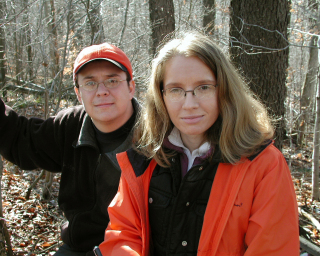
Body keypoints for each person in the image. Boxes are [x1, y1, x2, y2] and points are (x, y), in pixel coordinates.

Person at [96, 32, 300, 256]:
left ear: (224, 89)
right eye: (175, 90)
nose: (189, 104)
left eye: (203, 87)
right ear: (161, 96)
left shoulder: (263, 165)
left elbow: (272, 249)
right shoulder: (144, 157)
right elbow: (124, 234)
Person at [0, 42, 138, 255]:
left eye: (112, 80)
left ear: (131, 87)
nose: (101, 91)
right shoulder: (71, 125)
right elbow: (22, 140)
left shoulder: (155, 134)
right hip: (79, 247)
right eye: (90, 83)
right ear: (78, 93)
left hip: (135, 248)